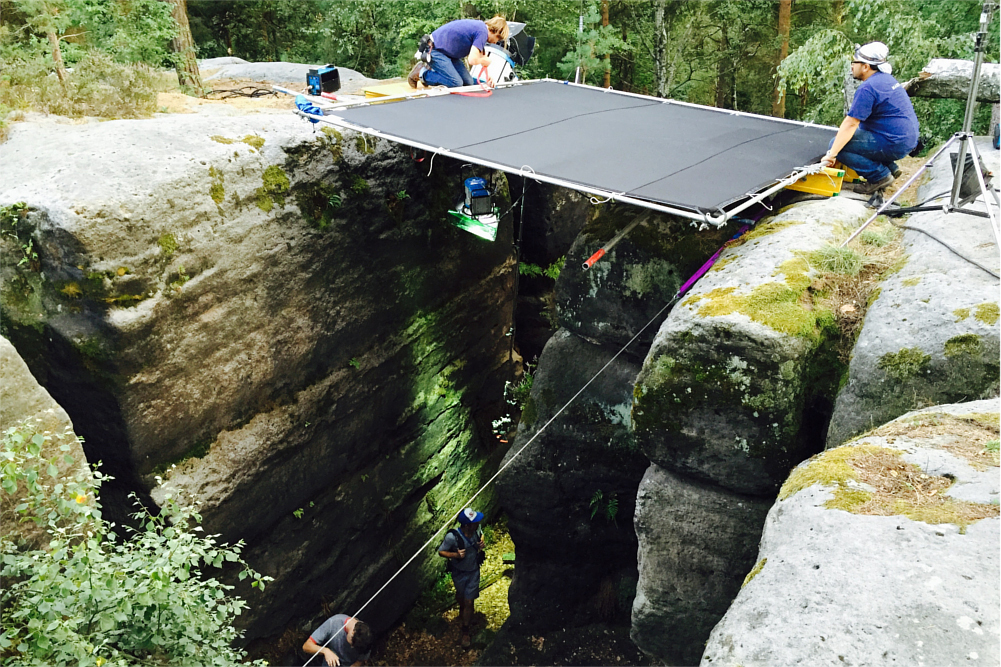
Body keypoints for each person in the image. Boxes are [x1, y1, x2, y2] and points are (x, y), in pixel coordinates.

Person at [821, 42, 919, 195]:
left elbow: (851, 123)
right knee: (859, 133)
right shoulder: (886, 80)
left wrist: (831, 154)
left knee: (837, 144)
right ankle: (891, 168)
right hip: (905, 139)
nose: (852, 66)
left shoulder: (868, 88)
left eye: (854, 62)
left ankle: (879, 176)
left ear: (865, 66)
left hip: (894, 142)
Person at [408, 16, 509, 89]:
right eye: (498, 39)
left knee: (468, 82)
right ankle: (422, 72)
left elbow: (482, 57)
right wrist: (485, 61)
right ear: (496, 31)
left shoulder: (481, 29)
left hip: (449, 54)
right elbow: (472, 60)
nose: (496, 42)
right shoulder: (482, 31)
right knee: (456, 83)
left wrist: (488, 78)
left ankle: (432, 72)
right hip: (434, 50)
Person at [438, 507, 487, 648]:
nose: (478, 523)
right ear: (467, 525)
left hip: (473, 572)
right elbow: (441, 552)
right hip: (458, 573)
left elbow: (481, 534)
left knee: (469, 601)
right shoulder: (452, 537)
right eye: (475, 521)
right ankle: (464, 610)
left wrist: (481, 543)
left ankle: (465, 631)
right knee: (461, 597)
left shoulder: (476, 529)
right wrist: (456, 555)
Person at [302, 614, 373, 666]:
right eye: (352, 644)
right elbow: (306, 646)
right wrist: (325, 651)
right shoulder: (333, 623)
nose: (351, 647)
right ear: (352, 633)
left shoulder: (365, 636)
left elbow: (361, 659)